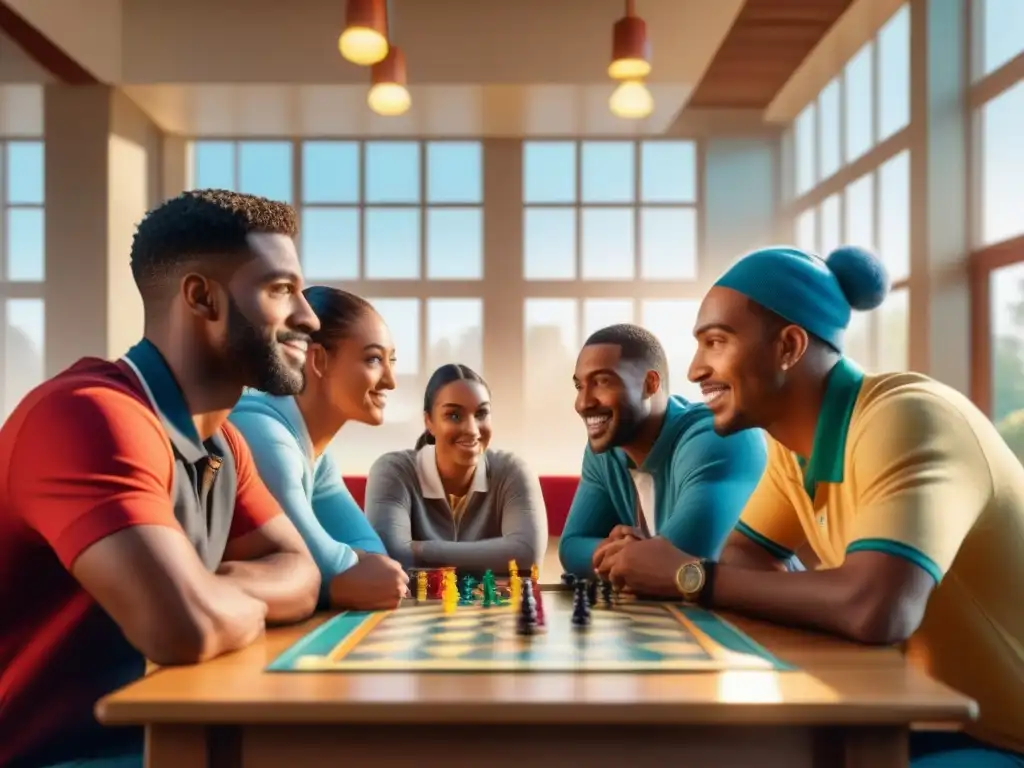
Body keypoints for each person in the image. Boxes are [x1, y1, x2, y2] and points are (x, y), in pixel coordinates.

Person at [601, 245, 1024, 767]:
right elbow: (743, 559)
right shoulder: (792, 447)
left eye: (715, 341)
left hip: (1002, 739)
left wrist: (689, 575)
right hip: (927, 719)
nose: (694, 369)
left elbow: (877, 610)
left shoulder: (908, 417)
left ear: (790, 346)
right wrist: (821, 593)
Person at [0, 190, 324, 768]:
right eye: (280, 291)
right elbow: (184, 629)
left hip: (170, 742)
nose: (309, 317)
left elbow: (301, 575)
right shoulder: (88, 415)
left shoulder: (223, 443)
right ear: (202, 298)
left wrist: (209, 587)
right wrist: (205, 600)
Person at [230, 287, 409, 610]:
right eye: (373, 359)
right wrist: (347, 568)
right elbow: (323, 565)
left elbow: (372, 558)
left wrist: (349, 565)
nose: (391, 381)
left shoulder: (316, 455)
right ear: (318, 360)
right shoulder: (262, 434)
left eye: (391, 361)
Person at [558, 323, 767, 577]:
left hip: (767, 610)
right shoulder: (605, 451)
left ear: (650, 384)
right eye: (580, 386)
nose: (583, 403)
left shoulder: (718, 435)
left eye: (602, 382)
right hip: (689, 607)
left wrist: (634, 556)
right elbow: (571, 547)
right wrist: (615, 550)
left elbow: (678, 558)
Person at [365, 363, 548, 574]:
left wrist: (420, 549)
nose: (471, 430)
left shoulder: (513, 472)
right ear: (429, 422)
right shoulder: (393, 471)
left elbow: (527, 554)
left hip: (491, 606)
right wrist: (497, 554)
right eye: (454, 415)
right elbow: (391, 555)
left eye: (481, 414)